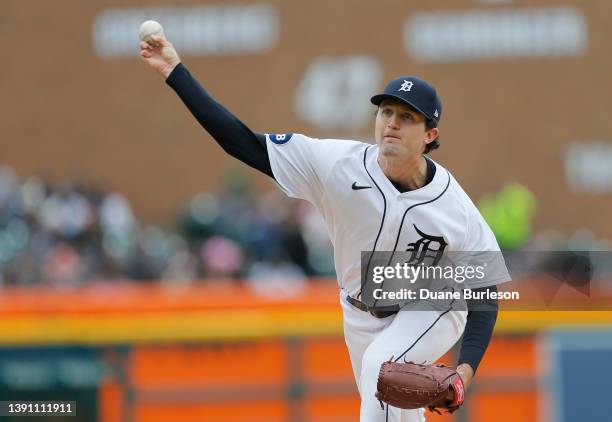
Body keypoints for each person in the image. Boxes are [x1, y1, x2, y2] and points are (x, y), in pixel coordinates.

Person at [140, 34, 510, 422]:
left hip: (432, 303)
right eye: (386, 112)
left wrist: (465, 371)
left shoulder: (454, 206)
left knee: (380, 373)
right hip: (358, 313)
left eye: (407, 117)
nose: (392, 124)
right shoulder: (336, 164)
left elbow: (484, 292)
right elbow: (243, 143)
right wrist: (173, 71)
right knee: (392, 407)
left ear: (430, 135)